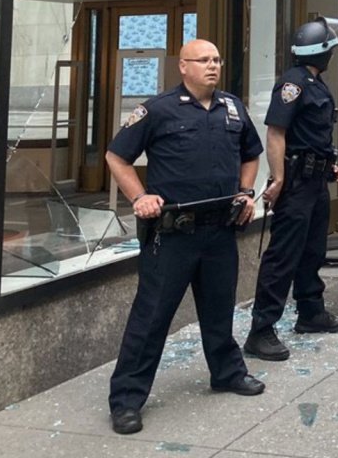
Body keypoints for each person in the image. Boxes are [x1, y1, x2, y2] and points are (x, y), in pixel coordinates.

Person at [106, 39, 265, 435]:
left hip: (219, 230)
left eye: (217, 59)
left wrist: (246, 192)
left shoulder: (232, 107)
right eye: (203, 60)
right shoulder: (157, 109)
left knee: (219, 308)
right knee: (152, 316)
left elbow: (251, 153)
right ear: (183, 66)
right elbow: (116, 156)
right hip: (172, 234)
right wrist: (139, 197)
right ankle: (126, 399)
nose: (212, 66)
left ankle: (227, 372)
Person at [245, 17, 338, 362]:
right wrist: (278, 179)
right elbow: (276, 133)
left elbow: (314, 133)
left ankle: (310, 313)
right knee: (283, 255)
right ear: (321, 53)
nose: (333, 55)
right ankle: (261, 330)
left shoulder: (315, 82)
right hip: (295, 182)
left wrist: (327, 163)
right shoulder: (292, 84)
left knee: (312, 250)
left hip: (316, 178)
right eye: (331, 50)